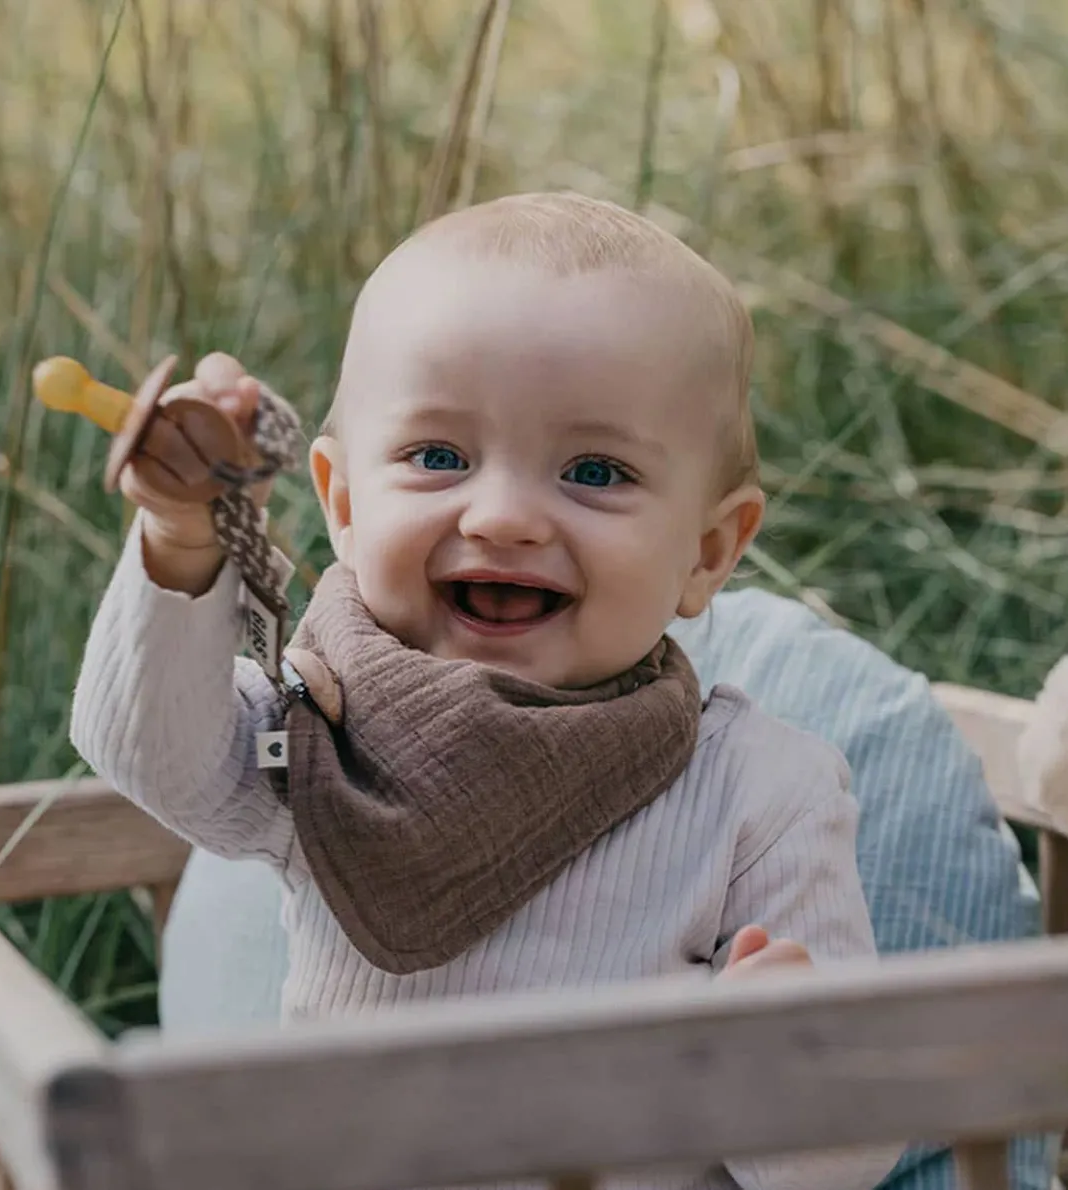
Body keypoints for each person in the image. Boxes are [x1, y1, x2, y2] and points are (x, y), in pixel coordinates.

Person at [70, 191, 903, 1190]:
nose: (503, 514)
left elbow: (837, 1165)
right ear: (340, 500)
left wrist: (792, 1067)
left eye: (593, 470)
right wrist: (177, 536)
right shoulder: (326, 729)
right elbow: (151, 753)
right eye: (436, 457)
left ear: (707, 549)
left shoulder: (758, 793)